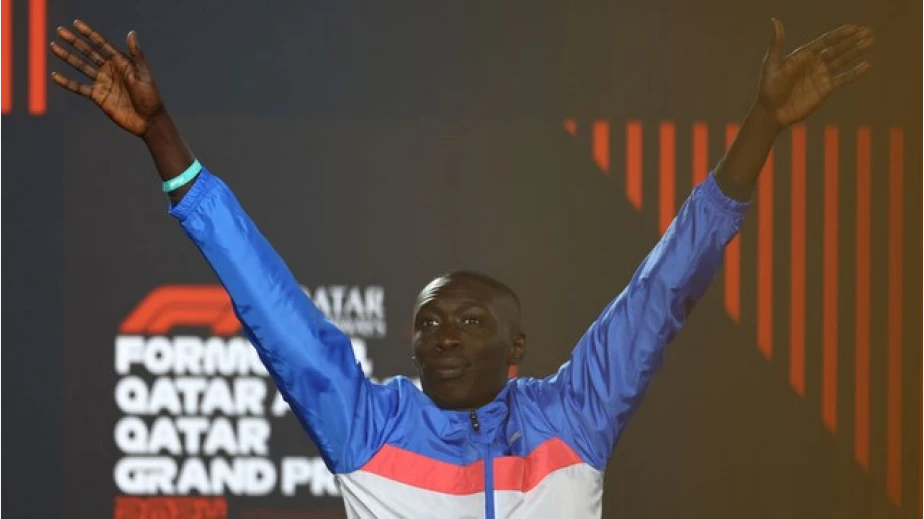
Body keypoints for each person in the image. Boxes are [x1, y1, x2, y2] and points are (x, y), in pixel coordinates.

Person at [50, 17, 873, 518]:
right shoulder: (366, 426)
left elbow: (666, 288)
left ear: (518, 348)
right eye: (430, 321)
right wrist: (163, 137)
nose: (444, 334)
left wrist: (763, 124)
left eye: (472, 320)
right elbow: (266, 299)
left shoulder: (573, 417)